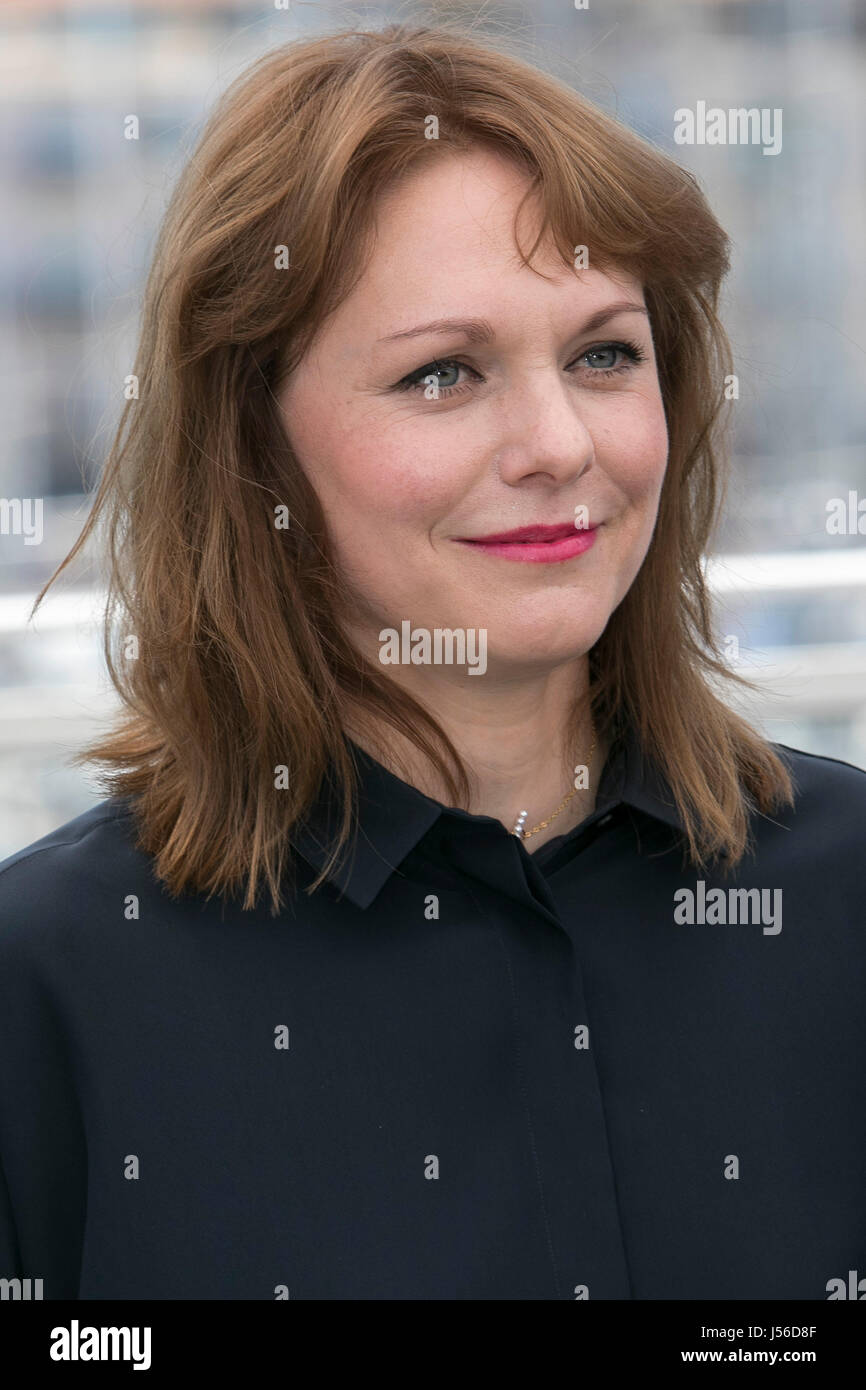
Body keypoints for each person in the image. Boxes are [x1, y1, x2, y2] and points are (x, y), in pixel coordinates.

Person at [0, 21, 864, 1302]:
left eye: (602, 354)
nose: (557, 443)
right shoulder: (46, 990)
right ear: (254, 447)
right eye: (443, 373)